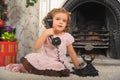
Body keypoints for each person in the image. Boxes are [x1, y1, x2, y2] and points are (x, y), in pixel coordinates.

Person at [5, 8, 85, 77]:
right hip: (44, 58)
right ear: (50, 21)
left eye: (64, 21)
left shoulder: (67, 36)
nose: (61, 22)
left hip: (57, 62)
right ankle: (21, 67)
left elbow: (72, 53)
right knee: (31, 56)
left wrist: (77, 67)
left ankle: (31, 70)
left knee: (58, 66)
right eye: (58, 19)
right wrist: (45, 34)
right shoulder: (47, 33)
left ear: (66, 24)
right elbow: (36, 47)